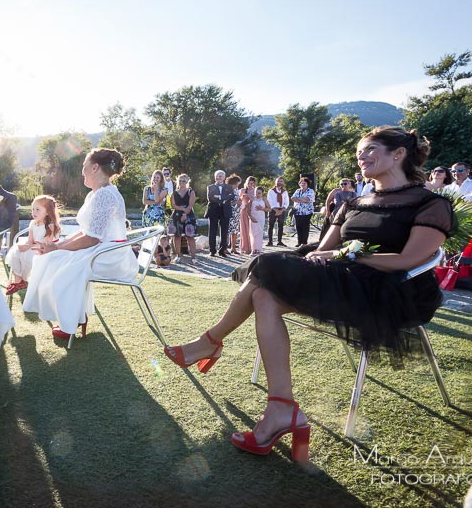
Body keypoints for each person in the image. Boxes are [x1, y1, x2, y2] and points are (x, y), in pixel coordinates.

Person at [163, 126, 454, 463]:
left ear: (399, 154)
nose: (362, 156)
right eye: (360, 151)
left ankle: (211, 342)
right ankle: (280, 409)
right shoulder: (356, 202)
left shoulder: (430, 204)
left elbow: (409, 260)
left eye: (371, 149)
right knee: (265, 294)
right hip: (341, 280)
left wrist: (348, 256)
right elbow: (323, 249)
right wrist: (322, 258)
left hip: (392, 292)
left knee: (266, 270)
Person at [23, 148, 138, 339]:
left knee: (58, 263)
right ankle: (75, 317)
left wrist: (57, 247)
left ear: (94, 167)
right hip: (99, 249)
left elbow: (91, 238)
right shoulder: (95, 194)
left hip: (110, 255)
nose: (82, 171)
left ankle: (72, 320)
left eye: (84, 166)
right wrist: (56, 246)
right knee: (52, 258)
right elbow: (85, 232)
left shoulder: (105, 195)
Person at [4, 195, 61, 295]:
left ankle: (32, 280)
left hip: (46, 249)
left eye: (38, 209)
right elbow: (30, 240)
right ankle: (19, 280)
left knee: (30, 255)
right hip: (33, 246)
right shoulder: (33, 223)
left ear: (47, 211)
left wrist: (51, 232)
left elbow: (48, 244)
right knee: (16, 252)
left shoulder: (52, 226)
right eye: (33, 209)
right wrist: (26, 245)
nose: (34, 212)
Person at [205, 170, 238, 257]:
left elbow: (232, 196)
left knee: (224, 231)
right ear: (215, 177)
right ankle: (212, 250)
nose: (219, 177)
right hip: (213, 210)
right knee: (212, 230)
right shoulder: (210, 187)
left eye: (220, 176)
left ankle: (222, 250)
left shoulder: (229, 187)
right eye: (217, 176)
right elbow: (210, 198)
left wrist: (219, 197)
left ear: (224, 177)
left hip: (225, 210)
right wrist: (223, 199)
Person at [169, 174, 198, 263]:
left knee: (190, 236)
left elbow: (190, 205)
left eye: (183, 181)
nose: (181, 183)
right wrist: (181, 209)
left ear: (187, 182)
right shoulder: (174, 193)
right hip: (177, 215)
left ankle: (193, 258)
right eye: (180, 181)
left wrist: (185, 214)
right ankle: (178, 256)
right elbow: (173, 205)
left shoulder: (190, 192)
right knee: (176, 236)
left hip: (189, 215)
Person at [290, 177, 315, 247]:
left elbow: (307, 199)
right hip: (297, 212)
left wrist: (298, 199)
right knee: (298, 227)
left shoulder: (311, 191)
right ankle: (299, 242)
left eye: (304, 183)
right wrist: (302, 200)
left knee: (305, 227)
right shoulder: (297, 191)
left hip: (307, 212)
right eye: (301, 183)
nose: (303, 184)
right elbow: (292, 198)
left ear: (307, 184)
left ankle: (304, 242)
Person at [266, 177, 289, 248]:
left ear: (283, 183)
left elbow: (286, 202)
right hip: (273, 209)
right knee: (271, 225)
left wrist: (281, 210)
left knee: (281, 226)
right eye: (278, 181)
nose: (279, 182)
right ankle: (270, 241)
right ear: (275, 182)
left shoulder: (284, 192)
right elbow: (269, 201)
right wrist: (276, 210)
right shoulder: (271, 191)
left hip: (281, 209)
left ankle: (279, 241)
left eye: (281, 181)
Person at [248, 186, 270, 255]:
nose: (257, 195)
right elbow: (248, 210)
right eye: (256, 193)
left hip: (261, 218)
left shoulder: (264, 199)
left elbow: (269, 209)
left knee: (260, 234)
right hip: (253, 217)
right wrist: (251, 217)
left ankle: (258, 249)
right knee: (253, 234)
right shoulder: (251, 200)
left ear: (262, 193)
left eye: (259, 193)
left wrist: (262, 209)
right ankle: (253, 249)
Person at [239, 177, 256, 255]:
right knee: (244, 229)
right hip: (243, 211)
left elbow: (256, 200)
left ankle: (252, 247)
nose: (250, 185)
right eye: (249, 183)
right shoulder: (242, 190)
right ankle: (245, 248)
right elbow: (238, 200)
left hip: (252, 211)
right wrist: (242, 197)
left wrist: (248, 195)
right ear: (246, 183)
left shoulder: (255, 191)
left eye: (252, 183)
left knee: (251, 229)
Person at [226, 174, 243, 253]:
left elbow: (238, 198)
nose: (237, 185)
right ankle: (225, 247)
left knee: (235, 230)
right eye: (236, 184)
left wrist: (239, 201)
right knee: (227, 230)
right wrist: (235, 202)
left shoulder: (236, 190)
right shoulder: (226, 189)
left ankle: (233, 248)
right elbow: (225, 201)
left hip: (236, 212)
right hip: (228, 212)